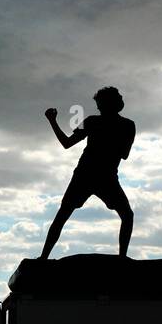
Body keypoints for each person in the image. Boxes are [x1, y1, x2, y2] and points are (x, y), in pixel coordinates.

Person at [39, 86, 135, 259]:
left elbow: (124, 154)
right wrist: (52, 121)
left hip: (104, 177)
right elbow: (68, 143)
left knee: (127, 215)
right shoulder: (95, 122)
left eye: (100, 104)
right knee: (63, 214)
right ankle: (44, 256)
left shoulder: (124, 125)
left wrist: (52, 121)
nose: (98, 108)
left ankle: (122, 258)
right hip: (86, 175)